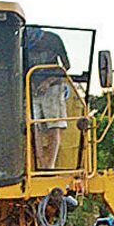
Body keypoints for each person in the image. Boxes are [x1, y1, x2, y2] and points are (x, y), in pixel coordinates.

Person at [25, 27, 71, 168]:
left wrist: (49, 81)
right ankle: (40, 162)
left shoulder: (53, 39)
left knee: (54, 126)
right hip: (32, 87)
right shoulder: (22, 41)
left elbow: (66, 66)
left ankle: (49, 165)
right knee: (33, 126)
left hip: (53, 87)